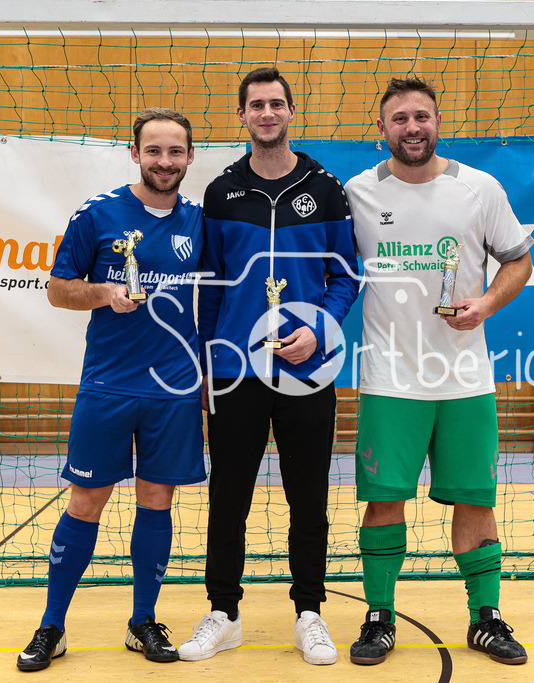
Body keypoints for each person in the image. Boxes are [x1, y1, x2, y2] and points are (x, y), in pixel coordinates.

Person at [344, 77, 534, 666]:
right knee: (383, 501)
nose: (412, 128)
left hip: (464, 378)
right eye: (399, 119)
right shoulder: (357, 193)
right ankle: (379, 617)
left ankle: (486, 617)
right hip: (389, 377)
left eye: (421, 116)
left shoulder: (478, 189)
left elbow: (519, 262)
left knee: (475, 501)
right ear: (381, 130)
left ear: (437, 121)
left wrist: (485, 305)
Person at [177, 67, 358, 667]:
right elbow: (207, 284)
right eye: (256, 105)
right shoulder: (222, 191)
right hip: (235, 372)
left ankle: (310, 611)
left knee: (309, 497)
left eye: (276, 104)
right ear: (242, 116)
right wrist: (207, 358)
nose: (267, 113)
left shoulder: (327, 188)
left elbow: (345, 276)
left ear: (290, 112)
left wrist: (321, 330)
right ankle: (223, 612)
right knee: (229, 497)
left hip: (307, 372)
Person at [16, 107, 205, 671]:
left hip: (173, 387)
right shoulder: (97, 215)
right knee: (87, 501)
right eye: (154, 151)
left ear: (190, 157)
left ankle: (142, 620)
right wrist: (102, 293)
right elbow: (56, 289)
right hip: (108, 385)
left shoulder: (199, 220)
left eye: (175, 152)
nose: (165, 162)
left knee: (157, 498)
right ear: (135, 153)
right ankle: (52, 625)